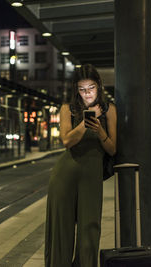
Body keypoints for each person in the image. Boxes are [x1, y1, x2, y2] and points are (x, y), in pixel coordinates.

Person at [45, 64, 117, 266]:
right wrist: (84, 124)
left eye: (91, 88)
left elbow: (112, 149)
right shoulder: (67, 109)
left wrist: (100, 131)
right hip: (64, 175)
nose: (87, 94)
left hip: (91, 177)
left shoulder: (110, 110)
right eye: (82, 89)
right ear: (76, 90)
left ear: (99, 86)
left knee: (89, 232)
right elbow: (67, 141)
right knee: (61, 232)